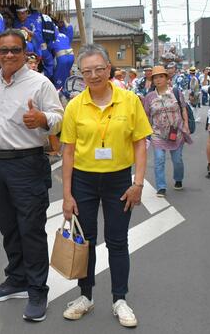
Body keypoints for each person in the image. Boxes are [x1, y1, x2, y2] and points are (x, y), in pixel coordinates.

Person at [60, 44, 152, 327]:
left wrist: (138, 183)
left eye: (99, 68)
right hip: (84, 180)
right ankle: (85, 296)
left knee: (117, 240)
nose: (94, 75)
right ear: (80, 74)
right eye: (87, 71)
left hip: (118, 180)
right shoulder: (75, 105)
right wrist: (66, 195)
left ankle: (119, 299)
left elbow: (140, 144)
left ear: (110, 68)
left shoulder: (129, 100)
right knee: (85, 241)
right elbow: (68, 152)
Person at [0, 29, 63, 322]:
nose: (9, 55)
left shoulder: (39, 83)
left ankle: (37, 289)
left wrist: (42, 119)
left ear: (25, 52)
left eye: (15, 50)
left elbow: (59, 117)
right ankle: (16, 278)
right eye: (3, 50)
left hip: (28, 164)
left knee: (30, 229)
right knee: (8, 227)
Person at [143, 66, 191, 197]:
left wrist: (186, 124)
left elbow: (183, 108)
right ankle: (161, 187)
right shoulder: (149, 97)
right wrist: (146, 132)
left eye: (160, 76)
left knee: (177, 160)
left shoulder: (176, 92)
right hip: (157, 133)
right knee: (159, 159)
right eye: (155, 77)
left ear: (166, 78)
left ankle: (178, 178)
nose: (158, 80)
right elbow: (147, 115)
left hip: (176, 132)